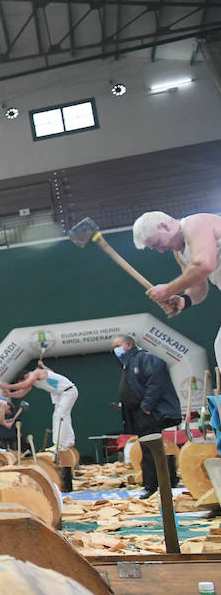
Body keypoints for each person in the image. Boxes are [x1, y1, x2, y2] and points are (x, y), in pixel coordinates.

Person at [133, 211, 221, 366]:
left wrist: (168, 290)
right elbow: (199, 288)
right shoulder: (180, 254)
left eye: (158, 243)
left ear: (164, 226)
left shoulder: (195, 224)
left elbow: (205, 264)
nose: (160, 250)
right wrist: (183, 300)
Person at [112, 334, 182, 498]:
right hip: (138, 413)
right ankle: (152, 485)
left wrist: (146, 407)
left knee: (151, 449)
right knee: (147, 449)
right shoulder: (128, 363)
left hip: (147, 413)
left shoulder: (144, 358)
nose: (114, 349)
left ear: (128, 345)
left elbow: (155, 383)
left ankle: (155, 487)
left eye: (117, 345)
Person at [1, 361, 77, 451]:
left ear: (26, 377)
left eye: (21, 382)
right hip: (61, 394)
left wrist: (6, 386)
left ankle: (59, 444)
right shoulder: (36, 377)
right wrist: (9, 395)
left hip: (68, 392)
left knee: (60, 416)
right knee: (60, 416)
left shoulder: (35, 373)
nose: (21, 384)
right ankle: (68, 442)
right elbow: (21, 393)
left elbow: (25, 384)